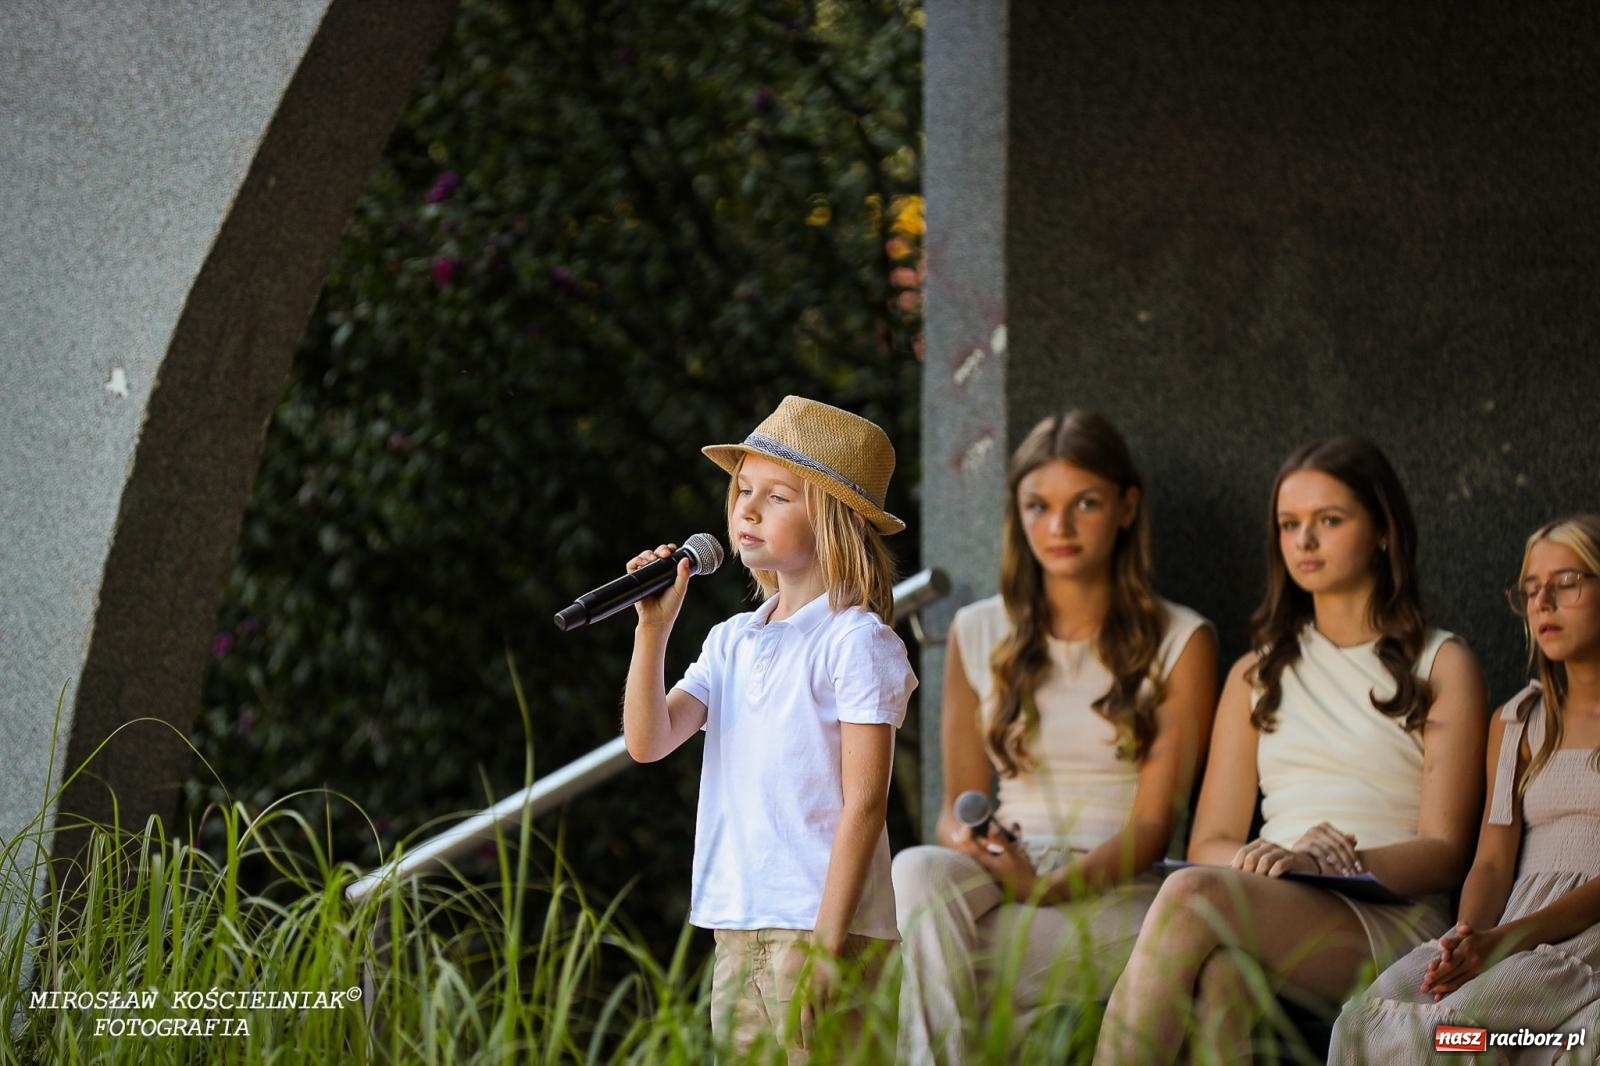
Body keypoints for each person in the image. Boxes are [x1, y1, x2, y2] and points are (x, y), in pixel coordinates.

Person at [1095, 435, 1488, 1064]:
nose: (1304, 541)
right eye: (1289, 524)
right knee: (1222, 976)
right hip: (1272, 898)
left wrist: (1337, 862)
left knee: (1193, 895)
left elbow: (1445, 851)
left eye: (1329, 520)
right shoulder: (1255, 674)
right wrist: (1276, 862)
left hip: (1390, 918)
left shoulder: (1443, 661)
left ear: (1383, 531)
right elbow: (1210, 841)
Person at [891, 410, 1218, 1063]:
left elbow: (1154, 826)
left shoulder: (1183, 639)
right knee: (916, 869)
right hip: (1006, 864)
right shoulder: (976, 630)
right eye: (1038, 506)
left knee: (934, 960)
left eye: (1085, 504)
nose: (1058, 527)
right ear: (1017, 513)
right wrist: (975, 842)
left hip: (1123, 889)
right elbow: (955, 807)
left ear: (1126, 508)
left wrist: (1046, 890)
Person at [620, 395, 918, 1061]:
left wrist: (829, 948)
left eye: (777, 496)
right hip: (738, 923)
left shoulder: (854, 640)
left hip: (826, 927)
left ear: (837, 520)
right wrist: (652, 631)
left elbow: (865, 804)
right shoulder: (732, 640)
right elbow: (648, 741)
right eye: (743, 490)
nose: (747, 510)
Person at [1328, 514, 1600, 1065]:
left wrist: (1507, 941)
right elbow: (1493, 864)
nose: (1543, 602)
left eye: (1566, 582)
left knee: (1456, 1034)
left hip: (1578, 938)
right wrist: (1466, 938)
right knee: (1360, 1024)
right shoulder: (1518, 723)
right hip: (1504, 932)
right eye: (1530, 589)